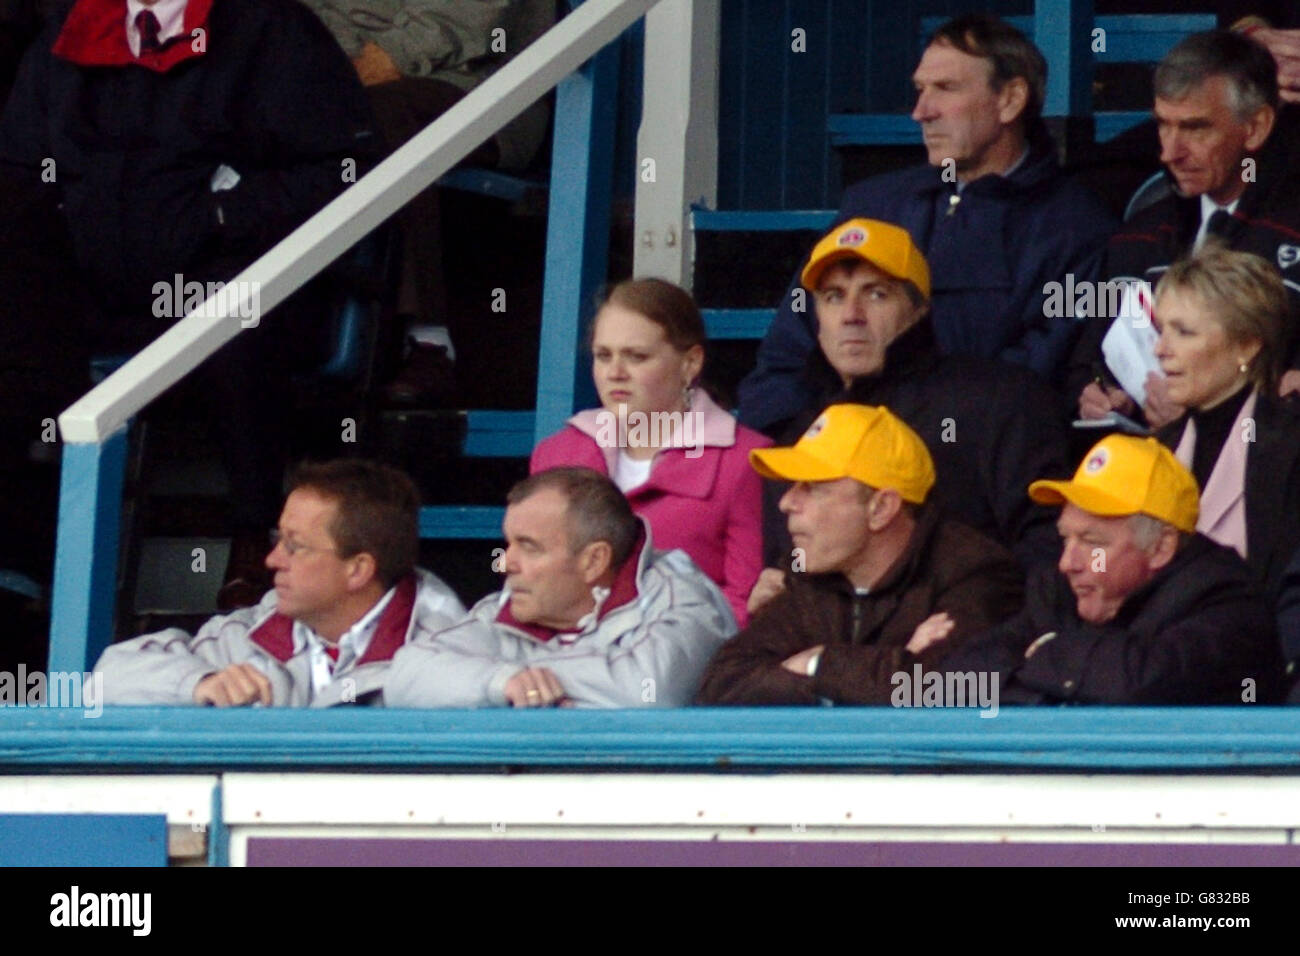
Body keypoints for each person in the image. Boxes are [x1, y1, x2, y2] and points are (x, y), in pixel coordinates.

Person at [0, 0, 381, 608]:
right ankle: (22, 567)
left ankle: (257, 543)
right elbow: (20, 173)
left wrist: (222, 216)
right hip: (97, 289)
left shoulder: (270, 29)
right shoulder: (72, 29)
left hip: (231, 278)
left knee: (229, 313)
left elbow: (342, 167)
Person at [738, 12, 1115, 431]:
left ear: (1010, 99)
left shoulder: (1074, 228)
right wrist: (802, 449)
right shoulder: (873, 205)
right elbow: (786, 358)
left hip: (970, 473)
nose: (921, 111)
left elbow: (1027, 384)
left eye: (945, 89)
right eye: (919, 90)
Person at [754, 217, 1070, 570]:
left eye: (876, 293)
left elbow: (1051, 542)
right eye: (833, 297)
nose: (851, 315)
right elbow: (793, 562)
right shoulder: (800, 438)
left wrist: (982, 616)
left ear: (919, 309)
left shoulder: (999, 400)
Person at [301, 0, 555, 404]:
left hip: (477, 81)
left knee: (377, 116)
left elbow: (473, 17)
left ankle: (428, 341)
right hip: (343, 81)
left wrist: (383, 57)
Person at [695, 404, 1023, 707]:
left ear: (881, 508)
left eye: (813, 487)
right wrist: (887, 664)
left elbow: (953, 688)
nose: (786, 503)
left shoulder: (976, 572)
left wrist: (816, 661)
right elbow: (722, 684)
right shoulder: (809, 574)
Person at [936, 434, 1286, 705]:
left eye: (1092, 542)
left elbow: (1140, 684)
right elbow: (956, 680)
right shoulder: (1058, 590)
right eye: (1065, 538)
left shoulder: (1225, 600)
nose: (1067, 563)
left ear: (1161, 547)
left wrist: (1043, 653)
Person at [94, 460, 466, 706]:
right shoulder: (252, 630)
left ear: (358, 570)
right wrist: (198, 683)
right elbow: (105, 679)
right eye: (278, 540)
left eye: (295, 546)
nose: (272, 560)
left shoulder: (452, 650)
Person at [1072, 29, 1300, 420]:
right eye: (1163, 125)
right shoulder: (1138, 235)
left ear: (1257, 126)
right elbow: (1087, 359)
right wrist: (1098, 392)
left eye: (1196, 129)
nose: (1170, 152)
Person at [385, 467, 735, 708]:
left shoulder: (680, 597)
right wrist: (502, 680)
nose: (506, 563)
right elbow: (404, 676)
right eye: (508, 544)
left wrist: (532, 680)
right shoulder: (505, 608)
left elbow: (650, 689)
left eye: (529, 547)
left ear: (593, 561)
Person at [530, 278, 771, 625]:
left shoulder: (746, 460)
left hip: (686, 669)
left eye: (636, 356)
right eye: (603, 356)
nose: (615, 373)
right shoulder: (556, 454)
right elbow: (529, 583)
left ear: (690, 364)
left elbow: (742, 604)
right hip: (567, 665)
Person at [1143, 247, 1300, 605]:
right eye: (1160, 329)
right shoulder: (1157, 449)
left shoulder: (1290, 448)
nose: (1160, 349)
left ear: (1246, 345)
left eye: (1183, 332)